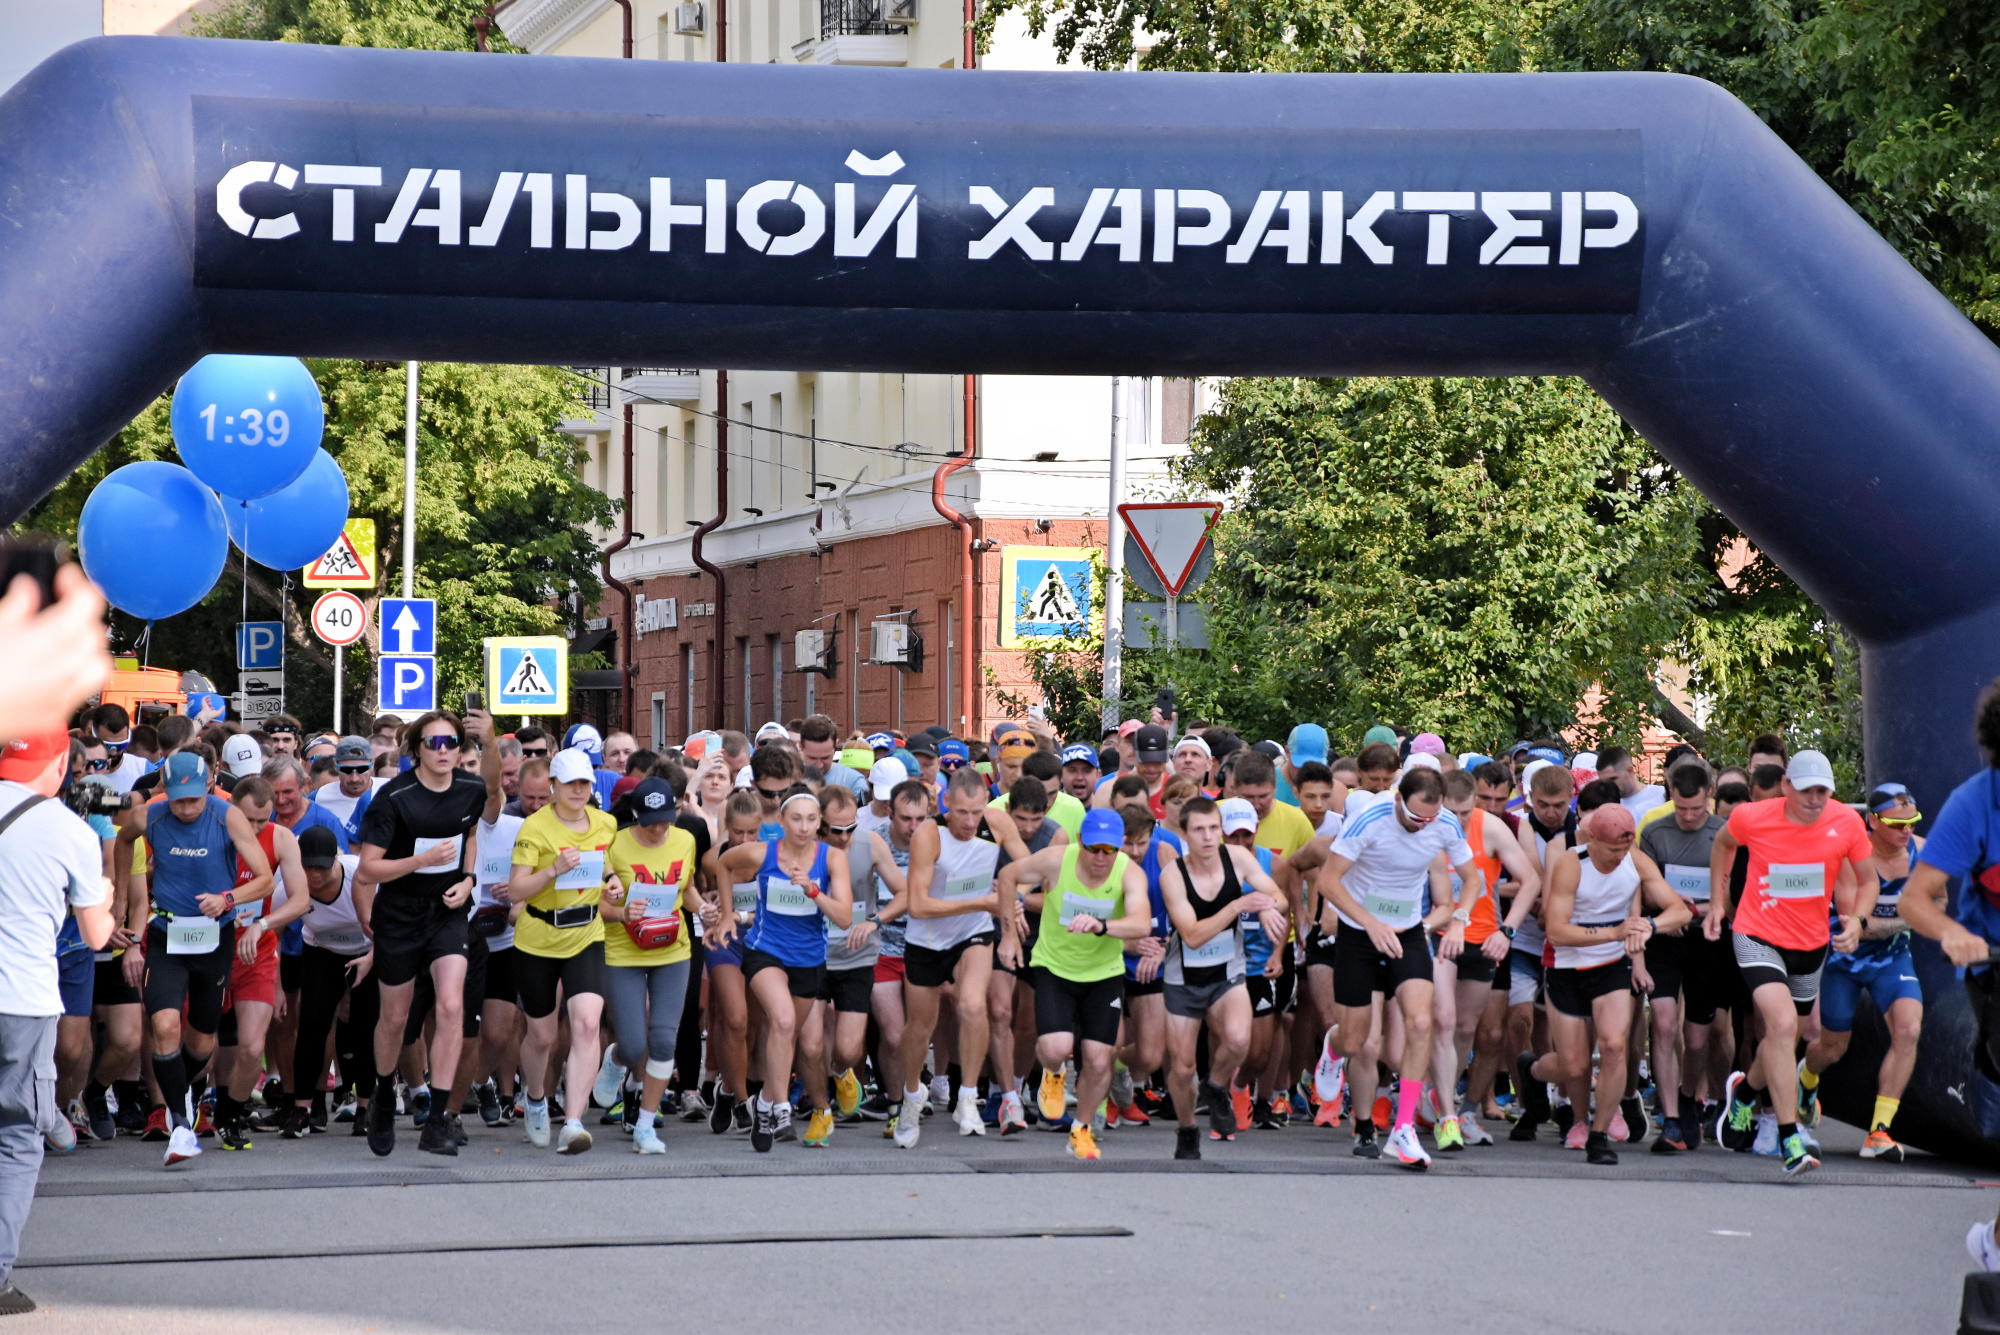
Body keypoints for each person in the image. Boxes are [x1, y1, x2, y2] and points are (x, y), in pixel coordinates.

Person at [1705, 750, 1875, 1176]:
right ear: (1785, 786)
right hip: (1757, 935)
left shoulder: (1847, 822)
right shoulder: (1752, 817)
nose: (1814, 799)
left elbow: (1868, 879)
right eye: (1805, 791)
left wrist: (1856, 920)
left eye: (1822, 791)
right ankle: (1789, 1137)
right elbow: (1723, 845)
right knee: (1780, 1026)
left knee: (1789, 1036)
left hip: (1811, 945)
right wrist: (1716, 902)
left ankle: (1744, 1093)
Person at [1315, 766, 1481, 1169]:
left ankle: (1403, 1128)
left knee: (1421, 1024)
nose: (1421, 826)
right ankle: (1332, 1051)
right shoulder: (1369, 819)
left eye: (1429, 818)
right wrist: (1369, 922)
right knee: (1357, 1042)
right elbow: (1328, 882)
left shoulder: (1443, 822)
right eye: (1414, 818)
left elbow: (1472, 879)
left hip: (1407, 930)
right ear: (1397, 801)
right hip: (1359, 930)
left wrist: (1459, 917)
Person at [114, 751, 273, 1168]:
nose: (186, 808)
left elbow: (264, 878)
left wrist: (227, 900)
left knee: (201, 1041)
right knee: (164, 1023)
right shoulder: (150, 815)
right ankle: (181, 1125)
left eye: (194, 799)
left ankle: (178, 1090)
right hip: (166, 934)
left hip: (213, 938)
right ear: (166, 791)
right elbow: (122, 839)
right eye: (178, 799)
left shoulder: (227, 816)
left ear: (208, 786)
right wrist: (118, 898)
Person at [0, 729, 113, 1314]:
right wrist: (108, 891)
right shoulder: (71, 830)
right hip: (23, 999)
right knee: (17, 1136)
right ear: (63, 762)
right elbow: (97, 935)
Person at [1516, 803, 1688, 1165]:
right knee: (1574, 1066)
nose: (1618, 857)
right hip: (1565, 965)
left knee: (1613, 1046)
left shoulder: (1635, 861)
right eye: (1612, 850)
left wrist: (1649, 926)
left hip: (1612, 965)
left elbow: (1680, 910)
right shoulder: (1570, 865)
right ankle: (1532, 1070)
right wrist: (1613, 931)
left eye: (1624, 849)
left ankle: (1598, 1135)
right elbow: (1557, 931)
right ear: (1592, 838)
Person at [1895, 681, 2000, 1267]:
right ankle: (1995, 1249)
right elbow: (1916, 900)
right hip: (1994, 967)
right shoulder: (1975, 802)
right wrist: (1953, 932)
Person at [354, 710, 485, 1158]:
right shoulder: (394, 798)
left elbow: (469, 836)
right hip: (400, 912)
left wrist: (467, 879)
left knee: (451, 1004)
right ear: (416, 750)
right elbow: (369, 868)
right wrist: (420, 862)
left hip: (447, 911)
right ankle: (385, 1096)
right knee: (395, 1017)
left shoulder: (471, 788)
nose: (445, 751)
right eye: (435, 743)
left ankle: (440, 1118)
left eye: (452, 742)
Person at [993, 807, 1150, 1162]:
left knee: (1098, 1059)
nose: (1100, 858)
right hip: (1054, 967)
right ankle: (1053, 1073)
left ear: (1119, 848)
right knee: (1054, 1047)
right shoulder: (1056, 860)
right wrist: (1008, 938)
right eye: (1093, 848)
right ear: (1080, 841)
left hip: (1103, 973)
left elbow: (1141, 922)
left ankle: (1080, 1130)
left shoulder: (1130, 873)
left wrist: (1102, 927)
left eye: (1109, 850)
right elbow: (1006, 877)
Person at [892, 766, 1032, 1148]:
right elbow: (918, 905)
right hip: (928, 937)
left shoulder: (998, 823)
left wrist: (1011, 896)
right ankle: (910, 1096)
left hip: (973, 932)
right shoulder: (928, 835)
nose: (970, 822)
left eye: (977, 811)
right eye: (962, 812)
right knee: (920, 1027)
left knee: (973, 1005)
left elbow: (1030, 872)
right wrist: (984, 900)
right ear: (945, 803)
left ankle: (968, 1096)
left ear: (986, 803)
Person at [708, 787, 852, 1150]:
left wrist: (813, 892)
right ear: (783, 822)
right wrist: (728, 915)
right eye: (796, 819)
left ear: (819, 823)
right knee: (783, 1020)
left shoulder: (832, 859)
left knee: (787, 1033)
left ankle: (767, 1102)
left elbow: (846, 918)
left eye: (811, 819)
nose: (803, 827)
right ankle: (780, 1107)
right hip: (764, 950)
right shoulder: (763, 852)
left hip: (809, 958)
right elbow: (723, 864)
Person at [1152, 798, 1289, 1160]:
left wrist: (1270, 909)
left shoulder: (1238, 859)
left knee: (1239, 1039)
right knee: (1181, 1068)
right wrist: (1238, 906)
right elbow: (1193, 935)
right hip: (1185, 977)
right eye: (1199, 830)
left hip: (1229, 970)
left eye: (1214, 828)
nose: (1209, 837)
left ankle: (1215, 1086)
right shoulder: (1174, 875)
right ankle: (1186, 1129)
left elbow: (1279, 896)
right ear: (1185, 833)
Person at [1800, 782, 1925, 1163]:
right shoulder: (1851, 856)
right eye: (1895, 823)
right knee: (1833, 1046)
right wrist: (1907, 919)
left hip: (1892, 960)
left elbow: (1938, 900)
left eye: (1912, 822)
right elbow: (1857, 923)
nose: (1906, 831)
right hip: (1844, 959)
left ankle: (1880, 1131)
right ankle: (1806, 1079)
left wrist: (1900, 922)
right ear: (1872, 821)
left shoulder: (1923, 849)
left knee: (1908, 1030)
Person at [506, 747, 618, 1155]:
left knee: (587, 1024)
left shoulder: (605, 823)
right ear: (552, 786)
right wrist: (553, 870)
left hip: (586, 933)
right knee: (542, 1035)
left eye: (584, 783)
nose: (577, 790)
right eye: (569, 783)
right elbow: (516, 890)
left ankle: (573, 1122)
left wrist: (613, 882)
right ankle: (535, 1097)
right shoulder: (534, 829)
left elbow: (608, 866)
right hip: (537, 937)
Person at [1429, 768, 1540, 1150]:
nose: (1457, 821)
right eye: (1450, 812)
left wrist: (1506, 931)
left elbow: (1531, 882)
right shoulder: (1425, 829)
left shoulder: (1490, 828)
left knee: (1472, 1030)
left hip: (1484, 938)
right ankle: (1444, 1109)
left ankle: (1459, 1108)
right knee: (1442, 1022)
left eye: (1464, 812)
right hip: (1438, 937)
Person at [597, 777, 702, 1153]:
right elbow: (602, 909)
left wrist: (704, 908)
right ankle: (614, 1062)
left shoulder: (685, 840)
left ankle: (645, 1124)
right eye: (652, 821)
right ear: (635, 815)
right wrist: (623, 911)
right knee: (631, 1043)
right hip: (623, 951)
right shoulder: (614, 843)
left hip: (672, 949)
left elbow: (686, 889)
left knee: (661, 1039)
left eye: (667, 818)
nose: (661, 828)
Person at [1634, 758, 1732, 1153]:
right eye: (1681, 808)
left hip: (1707, 940)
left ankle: (1691, 1099)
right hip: (1663, 938)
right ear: (1669, 796)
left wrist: (1693, 910)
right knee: (1662, 1021)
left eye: (1697, 809)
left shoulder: (1725, 834)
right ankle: (1671, 1118)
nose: (1689, 816)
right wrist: (1664, 915)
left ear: (1710, 795)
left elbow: (1735, 899)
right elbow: (1641, 889)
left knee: (1696, 1040)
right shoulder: (1655, 832)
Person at [210, 776, 311, 1150]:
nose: (254, 829)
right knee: (201, 1045)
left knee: (253, 1047)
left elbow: (301, 899)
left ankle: (231, 1114)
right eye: (248, 820)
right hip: (209, 947)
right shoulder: (210, 830)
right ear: (229, 808)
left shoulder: (281, 837)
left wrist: (263, 924)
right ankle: (186, 1107)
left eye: (262, 820)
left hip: (257, 950)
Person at [815, 784, 906, 1125]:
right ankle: (819, 1104)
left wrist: (874, 921)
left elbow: (904, 893)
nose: (843, 836)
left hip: (856, 955)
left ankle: (840, 1074)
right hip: (813, 955)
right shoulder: (803, 848)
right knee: (811, 1040)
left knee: (850, 1049)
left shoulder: (869, 842)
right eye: (835, 830)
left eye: (850, 827)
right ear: (818, 824)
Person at [283, 826, 379, 1139]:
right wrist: (273, 985)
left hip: (369, 951)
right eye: (307, 867)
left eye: (322, 867)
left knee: (365, 1028)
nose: (315, 875)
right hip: (322, 951)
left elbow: (392, 924)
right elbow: (271, 929)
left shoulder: (359, 875)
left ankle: (366, 1106)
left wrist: (372, 957)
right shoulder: (287, 883)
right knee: (312, 1026)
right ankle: (302, 1109)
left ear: (336, 861)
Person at [312, 737, 382, 843]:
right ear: (335, 765)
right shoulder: (318, 797)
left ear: (372, 764)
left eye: (362, 769)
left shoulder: (390, 791)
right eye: (346, 770)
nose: (355, 778)